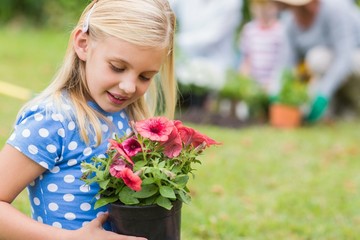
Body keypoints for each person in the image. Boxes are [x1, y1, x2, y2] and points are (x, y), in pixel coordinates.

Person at [0, 0, 176, 239]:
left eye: (145, 76)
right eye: (117, 67)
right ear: (83, 44)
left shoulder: (130, 115)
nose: (128, 87)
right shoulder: (53, 120)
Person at [271, 0, 360, 122]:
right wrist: (277, 89)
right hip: (331, 71)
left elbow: (345, 57)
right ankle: (339, 110)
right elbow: (286, 62)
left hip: (353, 59)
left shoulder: (336, 8)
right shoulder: (289, 22)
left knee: (317, 58)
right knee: (316, 61)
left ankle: (355, 105)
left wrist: (323, 94)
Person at [170, 0, 243, 112]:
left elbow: (213, 36)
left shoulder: (231, 3)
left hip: (217, 66)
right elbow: (163, 7)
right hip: (183, 64)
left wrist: (173, 41)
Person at [238, 0, 287, 96]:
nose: (264, 11)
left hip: (273, 85)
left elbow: (283, 62)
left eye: (268, 7)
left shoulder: (281, 31)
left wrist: (273, 84)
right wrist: (243, 82)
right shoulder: (249, 30)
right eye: (260, 7)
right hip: (253, 84)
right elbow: (246, 60)